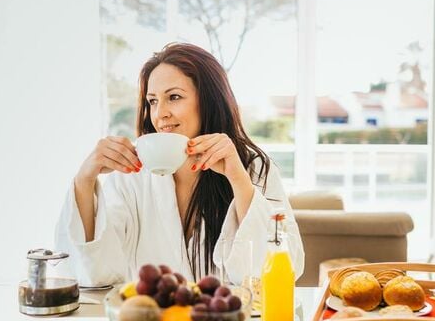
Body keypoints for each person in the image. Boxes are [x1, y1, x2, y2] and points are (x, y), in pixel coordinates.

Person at [55, 43, 304, 285]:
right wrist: (85, 180)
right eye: (153, 101)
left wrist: (238, 180)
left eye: (174, 97)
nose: (160, 113)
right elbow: (94, 272)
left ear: (209, 101)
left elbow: (281, 273)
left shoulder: (253, 167)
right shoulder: (132, 174)